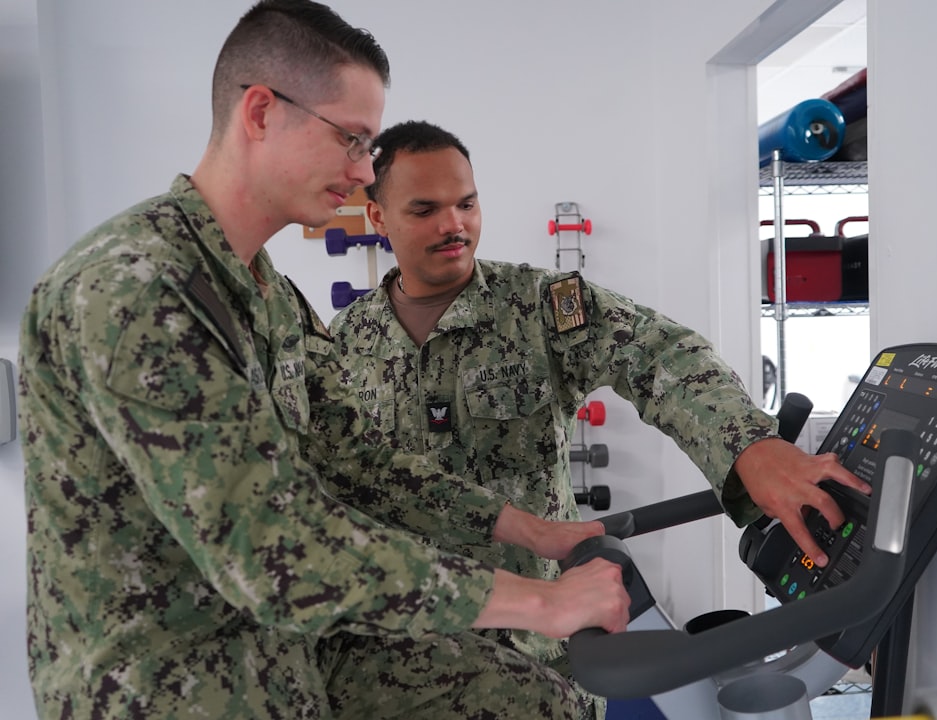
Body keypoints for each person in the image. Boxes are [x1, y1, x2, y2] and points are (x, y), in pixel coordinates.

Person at [17, 4, 631, 719]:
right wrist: (537, 602)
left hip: (283, 649)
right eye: (352, 140)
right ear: (260, 113)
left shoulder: (265, 291)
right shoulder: (136, 287)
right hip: (167, 686)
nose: (365, 170)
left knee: (526, 697)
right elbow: (269, 546)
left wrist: (523, 527)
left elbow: (352, 460)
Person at [326, 119, 872, 715]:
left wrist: (749, 446)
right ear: (377, 216)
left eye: (467, 203)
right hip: (399, 660)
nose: (454, 224)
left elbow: (658, 353)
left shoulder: (536, 306)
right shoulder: (349, 339)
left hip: (537, 654)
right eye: (425, 208)